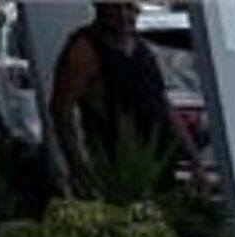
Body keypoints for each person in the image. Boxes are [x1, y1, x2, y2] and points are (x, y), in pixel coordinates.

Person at [46, 4, 199, 190]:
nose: (124, 15)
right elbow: (61, 110)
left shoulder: (140, 46)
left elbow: (163, 103)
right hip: (116, 172)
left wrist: (194, 159)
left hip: (159, 165)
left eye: (130, 8)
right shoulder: (85, 49)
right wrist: (78, 167)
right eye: (116, 8)